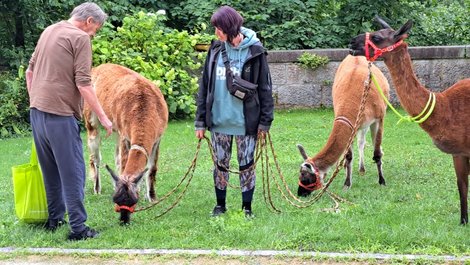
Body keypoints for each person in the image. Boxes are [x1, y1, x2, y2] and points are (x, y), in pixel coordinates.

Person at [25, 2, 113, 240]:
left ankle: (54, 219)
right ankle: (78, 229)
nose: (94, 34)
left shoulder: (49, 30)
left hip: (37, 113)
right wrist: (104, 118)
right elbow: (83, 83)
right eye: (96, 29)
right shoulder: (80, 38)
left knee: (50, 170)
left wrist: (36, 100)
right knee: (74, 172)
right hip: (60, 115)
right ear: (89, 21)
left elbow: (29, 72)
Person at [194, 6, 274, 217]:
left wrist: (265, 123)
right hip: (219, 121)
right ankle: (220, 206)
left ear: (229, 27)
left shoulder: (255, 51)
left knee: (247, 165)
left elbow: (265, 88)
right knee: (220, 165)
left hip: (246, 122)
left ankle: (246, 208)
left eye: (218, 28)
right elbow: (205, 87)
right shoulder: (214, 50)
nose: (215, 33)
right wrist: (200, 122)